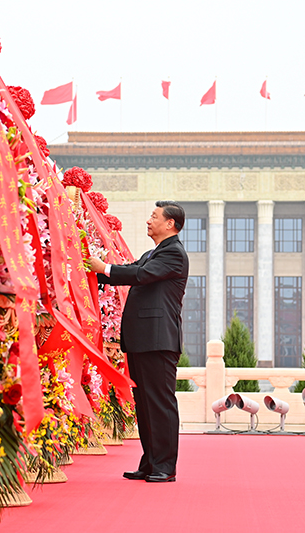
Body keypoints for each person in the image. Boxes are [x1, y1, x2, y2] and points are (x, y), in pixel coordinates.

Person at [87, 200, 188, 483]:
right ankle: (151, 462)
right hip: (143, 340)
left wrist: (104, 267)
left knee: (160, 403)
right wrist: (90, 271)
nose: (148, 220)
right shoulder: (152, 253)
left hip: (159, 340)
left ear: (170, 224)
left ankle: (165, 467)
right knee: (144, 404)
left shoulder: (174, 254)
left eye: (154, 216)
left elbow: (140, 275)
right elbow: (126, 271)